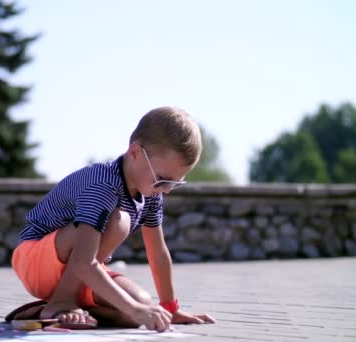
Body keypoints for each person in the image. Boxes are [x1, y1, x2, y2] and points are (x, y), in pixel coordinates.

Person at [11, 106, 216, 332]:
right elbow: (83, 261)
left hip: (80, 267)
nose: (166, 190)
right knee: (119, 221)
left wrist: (169, 308)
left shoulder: (150, 192)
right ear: (135, 153)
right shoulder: (103, 185)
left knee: (143, 308)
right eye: (162, 180)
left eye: (174, 184)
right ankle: (60, 303)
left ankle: (53, 309)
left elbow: (157, 253)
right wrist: (133, 308)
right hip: (36, 259)